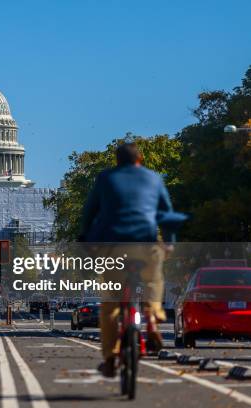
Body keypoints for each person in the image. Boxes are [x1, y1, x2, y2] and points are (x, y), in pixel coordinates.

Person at [80, 142, 174, 377]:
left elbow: (89, 213)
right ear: (139, 160)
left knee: (110, 306)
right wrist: (169, 242)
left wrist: (84, 239)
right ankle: (152, 318)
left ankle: (111, 357)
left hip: (115, 248)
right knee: (154, 281)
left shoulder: (105, 178)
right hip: (146, 245)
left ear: (117, 161)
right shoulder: (153, 178)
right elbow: (167, 214)